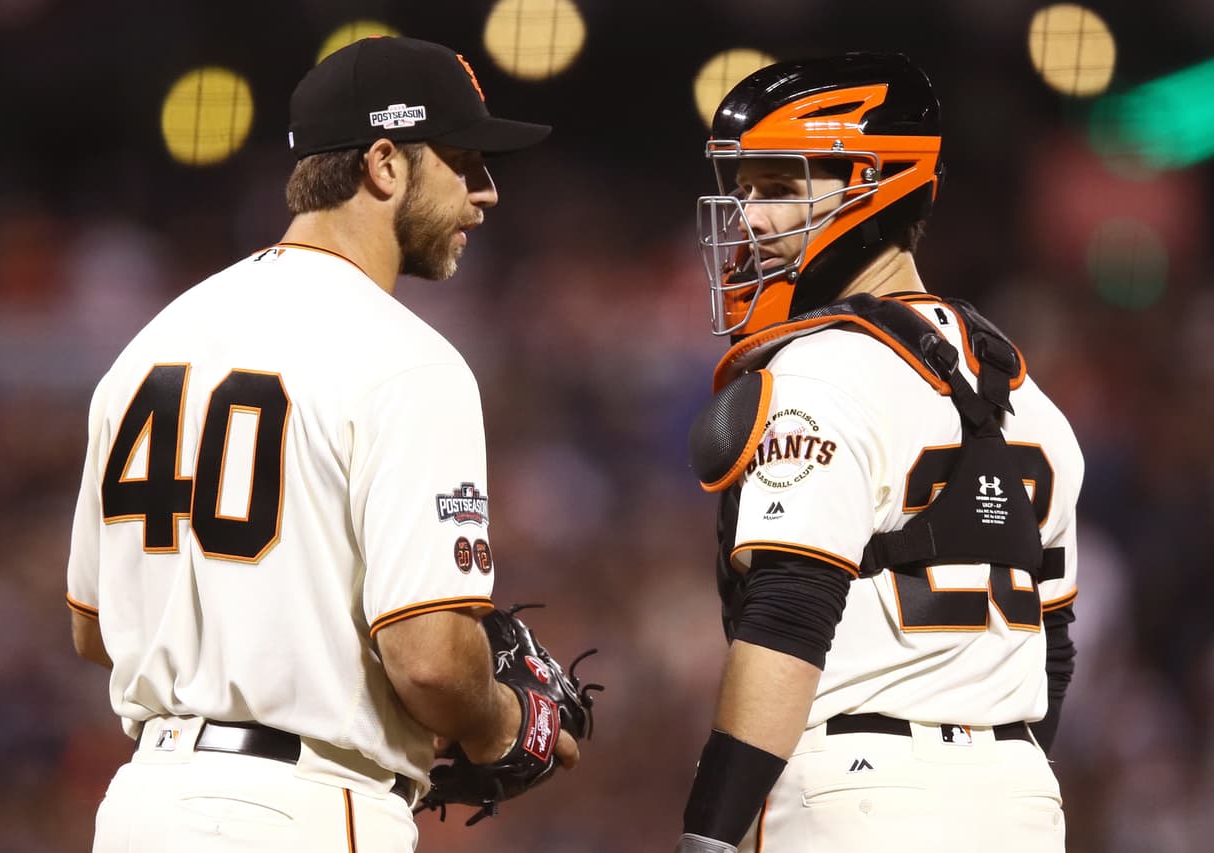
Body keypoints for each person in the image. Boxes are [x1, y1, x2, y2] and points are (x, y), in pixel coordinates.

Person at [65, 35, 577, 852]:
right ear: (384, 163)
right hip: (299, 809)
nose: (485, 193)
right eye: (464, 160)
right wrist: (507, 719)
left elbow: (95, 629)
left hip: (141, 806)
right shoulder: (410, 358)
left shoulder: (146, 346)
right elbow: (434, 662)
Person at [676, 52, 1082, 852]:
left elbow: (789, 619)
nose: (749, 217)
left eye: (780, 187)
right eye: (747, 188)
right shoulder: (1034, 400)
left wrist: (709, 833)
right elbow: (1054, 653)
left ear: (872, 183)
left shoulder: (820, 370)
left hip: (854, 795)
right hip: (1023, 798)